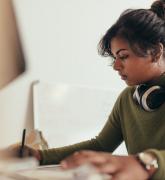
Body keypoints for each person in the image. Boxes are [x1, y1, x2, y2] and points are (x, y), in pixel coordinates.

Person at [8, 0, 165, 179]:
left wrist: (146, 163)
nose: (116, 66)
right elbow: (100, 145)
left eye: (123, 56)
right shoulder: (128, 98)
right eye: (115, 57)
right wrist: (40, 156)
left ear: (156, 52)